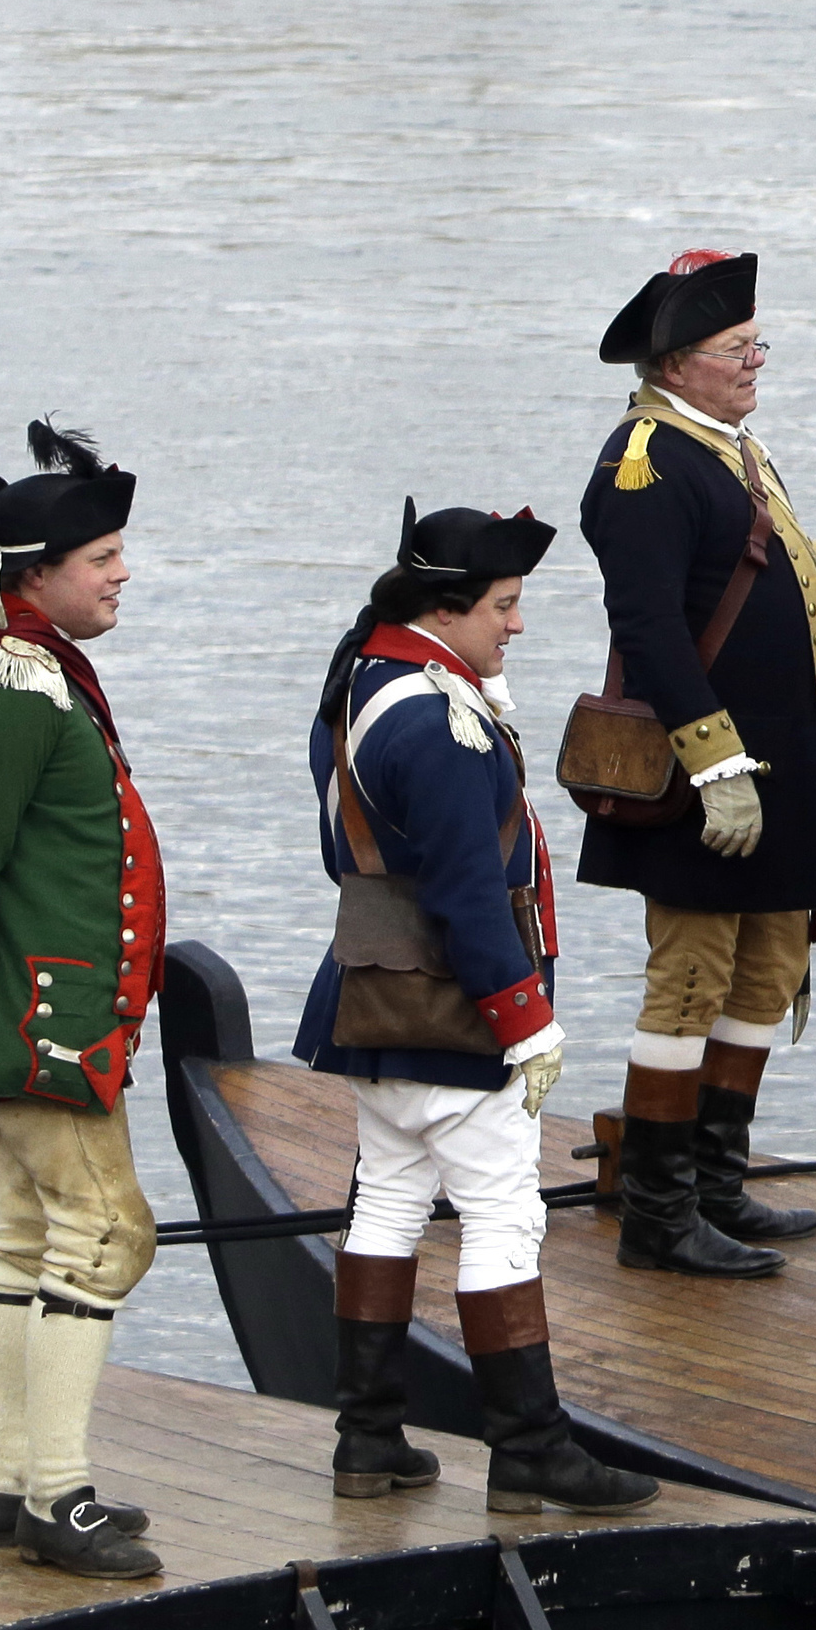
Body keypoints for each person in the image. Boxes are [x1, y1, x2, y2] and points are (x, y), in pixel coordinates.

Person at [296, 504, 658, 1518]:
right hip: (455, 1008)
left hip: (373, 995)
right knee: (506, 1216)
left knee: (388, 1201)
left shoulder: (365, 678)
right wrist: (524, 1019)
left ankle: (367, 1437)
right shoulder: (440, 721)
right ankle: (532, 1448)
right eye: (503, 605)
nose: (517, 625)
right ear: (445, 606)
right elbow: (465, 888)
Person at [0, 422, 167, 1579]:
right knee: (109, 1234)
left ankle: (7, 1486)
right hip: (38, 1017)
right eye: (100, 555)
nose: (120, 572)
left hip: (21, 1009)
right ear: (33, 573)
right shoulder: (15, 686)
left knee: (26, 1230)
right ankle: (60, 1497)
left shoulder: (21, 660)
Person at [574, 248, 816, 1278]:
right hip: (712, 776)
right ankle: (658, 1216)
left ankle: (713, 1178)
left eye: (757, 343)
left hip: (789, 756)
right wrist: (715, 765)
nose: (757, 361)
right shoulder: (647, 462)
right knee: (691, 981)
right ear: (676, 362)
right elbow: (650, 628)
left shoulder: (733, 447)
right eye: (737, 347)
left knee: (769, 968)